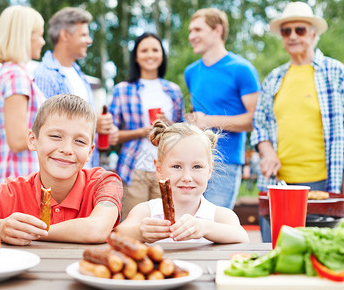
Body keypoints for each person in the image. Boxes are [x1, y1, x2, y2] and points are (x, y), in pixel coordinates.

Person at [0, 95, 123, 245]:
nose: (66, 149)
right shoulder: (11, 192)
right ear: (32, 139)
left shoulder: (105, 182)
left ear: (89, 152)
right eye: (55, 136)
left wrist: (29, 232)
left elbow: (97, 229)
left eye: (79, 141)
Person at [250, 2, 344, 242]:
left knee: (320, 253)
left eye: (300, 30)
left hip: (324, 182)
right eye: (286, 31)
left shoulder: (336, 72)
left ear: (314, 34)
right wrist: (268, 152)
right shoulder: (274, 78)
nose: (292, 36)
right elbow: (259, 125)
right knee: (276, 253)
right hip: (279, 184)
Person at [116, 121, 249, 244]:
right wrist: (139, 232)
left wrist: (205, 228)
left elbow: (242, 238)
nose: (187, 177)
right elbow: (116, 235)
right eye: (176, 167)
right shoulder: (146, 212)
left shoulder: (219, 216)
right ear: (159, 169)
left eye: (197, 167)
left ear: (209, 170)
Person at [184, 8, 260, 210]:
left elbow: (255, 120)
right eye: (190, 31)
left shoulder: (242, 69)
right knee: (187, 227)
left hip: (225, 164)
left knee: (213, 229)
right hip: (191, 162)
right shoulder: (190, 72)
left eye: (197, 30)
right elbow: (197, 112)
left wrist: (208, 121)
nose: (191, 36)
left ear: (217, 30)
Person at [109, 32, 184, 219]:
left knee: (165, 223)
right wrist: (141, 132)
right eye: (144, 50)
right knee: (133, 223)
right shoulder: (123, 90)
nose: (150, 55)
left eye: (155, 50)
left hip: (167, 167)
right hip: (134, 168)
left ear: (162, 55)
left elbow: (184, 134)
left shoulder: (173, 90)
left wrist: (168, 124)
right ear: (136, 56)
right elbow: (111, 135)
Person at [34, 7, 116, 167]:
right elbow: (48, 129)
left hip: (82, 171)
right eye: (84, 35)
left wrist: (101, 130)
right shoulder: (45, 75)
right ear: (64, 35)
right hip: (60, 173)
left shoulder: (79, 76)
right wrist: (92, 125)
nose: (89, 40)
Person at [0, 5, 46, 186]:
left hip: (13, 180)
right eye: (39, 35)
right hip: (21, 182)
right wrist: (57, 138)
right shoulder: (16, 76)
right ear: (24, 37)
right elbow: (17, 139)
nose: (43, 41)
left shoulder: (7, 73)